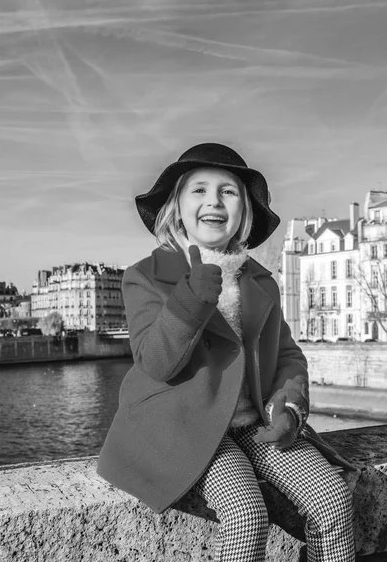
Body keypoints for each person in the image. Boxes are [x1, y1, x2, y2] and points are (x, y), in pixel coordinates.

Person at [97, 143, 356, 561]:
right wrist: (190, 299)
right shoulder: (145, 276)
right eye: (198, 190)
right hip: (185, 425)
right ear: (176, 208)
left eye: (228, 192)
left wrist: (289, 405)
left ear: (245, 211)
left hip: (252, 422)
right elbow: (156, 362)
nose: (213, 201)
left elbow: (288, 355)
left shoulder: (260, 280)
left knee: (332, 497)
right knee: (246, 514)